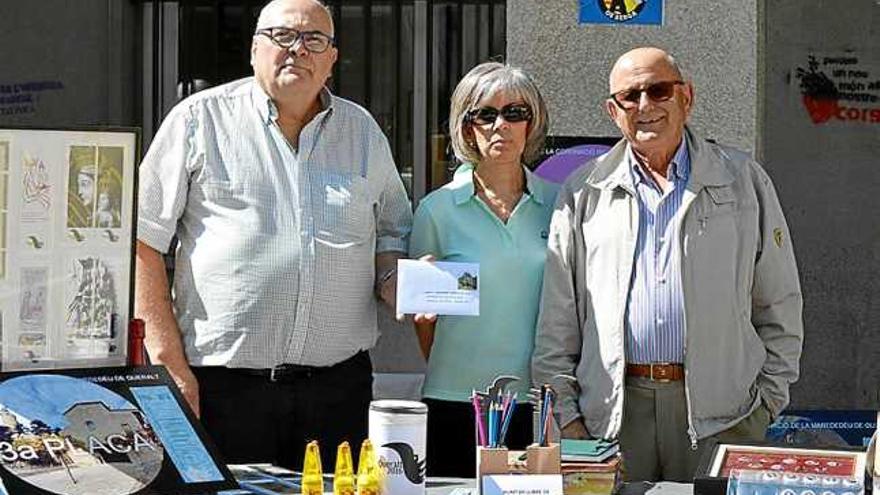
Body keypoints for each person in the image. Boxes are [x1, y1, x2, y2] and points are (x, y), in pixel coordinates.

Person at [134, 0, 412, 470]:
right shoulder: (198, 120)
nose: (297, 50)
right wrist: (169, 367)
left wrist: (396, 282)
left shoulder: (363, 132)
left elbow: (391, 233)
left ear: (331, 59)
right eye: (282, 36)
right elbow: (141, 242)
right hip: (221, 389)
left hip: (338, 392)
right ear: (254, 49)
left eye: (313, 40)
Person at [532, 47, 803, 482]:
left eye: (658, 91)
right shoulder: (584, 191)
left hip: (722, 416)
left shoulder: (742, 180)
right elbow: (557, 317)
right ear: (612, 111)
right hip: (614, 417)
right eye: (630, 96)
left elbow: (780, 299)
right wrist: (566, 415)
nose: (645, 106)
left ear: (686, 97)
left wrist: (767, 400)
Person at [409, 62, 557, 477]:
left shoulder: (561, 204)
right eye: (485, 114)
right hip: (455, 396)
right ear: (466, 126)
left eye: (514, 113)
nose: (500, 126)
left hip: (535, 400)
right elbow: (425, 319)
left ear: (531, 123)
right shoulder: (436, 210)